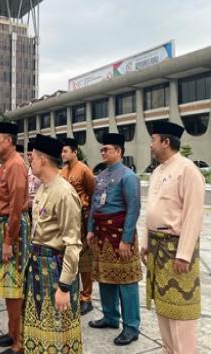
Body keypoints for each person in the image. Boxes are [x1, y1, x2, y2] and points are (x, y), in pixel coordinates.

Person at [142, 122, 204, 354]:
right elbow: (151, 211)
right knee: (163, 310)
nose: (150, 144)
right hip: (157, 250)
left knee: (181, 315)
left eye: (153, 139)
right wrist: (145, 243)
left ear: (166, 142)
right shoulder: (157, 171)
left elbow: (193, 214)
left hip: (177, 250)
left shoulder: (188, 170)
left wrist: (184, 254)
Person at [23, 134, 82, 353]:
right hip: (38, 267)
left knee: (58, 334)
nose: (30, 162)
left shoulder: (64, 193)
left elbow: (73, 244)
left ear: (43, 160)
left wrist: (64, 286)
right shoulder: (43, 188)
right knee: (38, 330)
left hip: (55, 271)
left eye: (32, 158)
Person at [86, 133, 142, 346]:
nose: (103, 152)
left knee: (126, 281)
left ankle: (131, 326)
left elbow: (133, 209)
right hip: (101, 235)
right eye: (102, 149)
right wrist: (90, 229)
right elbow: (94, 205)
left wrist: (126, 239)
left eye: (107, 149)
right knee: (105, 277)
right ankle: (110, 317)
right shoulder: (100, 176)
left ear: (118, 151)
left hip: (120, 236)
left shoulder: (128, 177)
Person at [0, 122, 29, 354]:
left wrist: (8, 240)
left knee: (15, 288)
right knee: (8, 287)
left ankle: (19, 343)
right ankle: (12, 331)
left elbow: (16, 207)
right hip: (5, 227)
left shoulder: (15, 165)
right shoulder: (7, 164)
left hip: (12, 229)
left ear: (8, 141)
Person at [60, 137, 95, 315]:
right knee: (70, 258)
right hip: (66, 222)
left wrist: (90, 224)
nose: (63, 154)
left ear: (75, 152)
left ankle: (86, 296)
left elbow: (92, 193)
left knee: (85, 261)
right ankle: (72, 292)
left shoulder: (84, 170)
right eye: (62, 151)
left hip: (82, 220)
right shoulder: (61, 172)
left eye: (66, 151)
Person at [26, 141, 41, 223]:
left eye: (30, 155)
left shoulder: (40, 172)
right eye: (27, 155)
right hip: (28, 207)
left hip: (39, 208)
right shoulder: (27, 170)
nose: (28, 157)